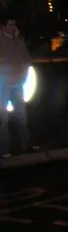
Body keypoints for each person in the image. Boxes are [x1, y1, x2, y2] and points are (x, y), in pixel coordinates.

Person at [0, 11, 33, 159]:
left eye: (15, 24)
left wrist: (18, 40)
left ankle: (26, 146)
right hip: (3, 86)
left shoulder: (18, 41)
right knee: (3, 119)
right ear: (2, 27)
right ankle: (4, 150)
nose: (14, 27)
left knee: (21, 116)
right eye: (10, 25)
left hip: (17, 85)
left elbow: (26, 58)